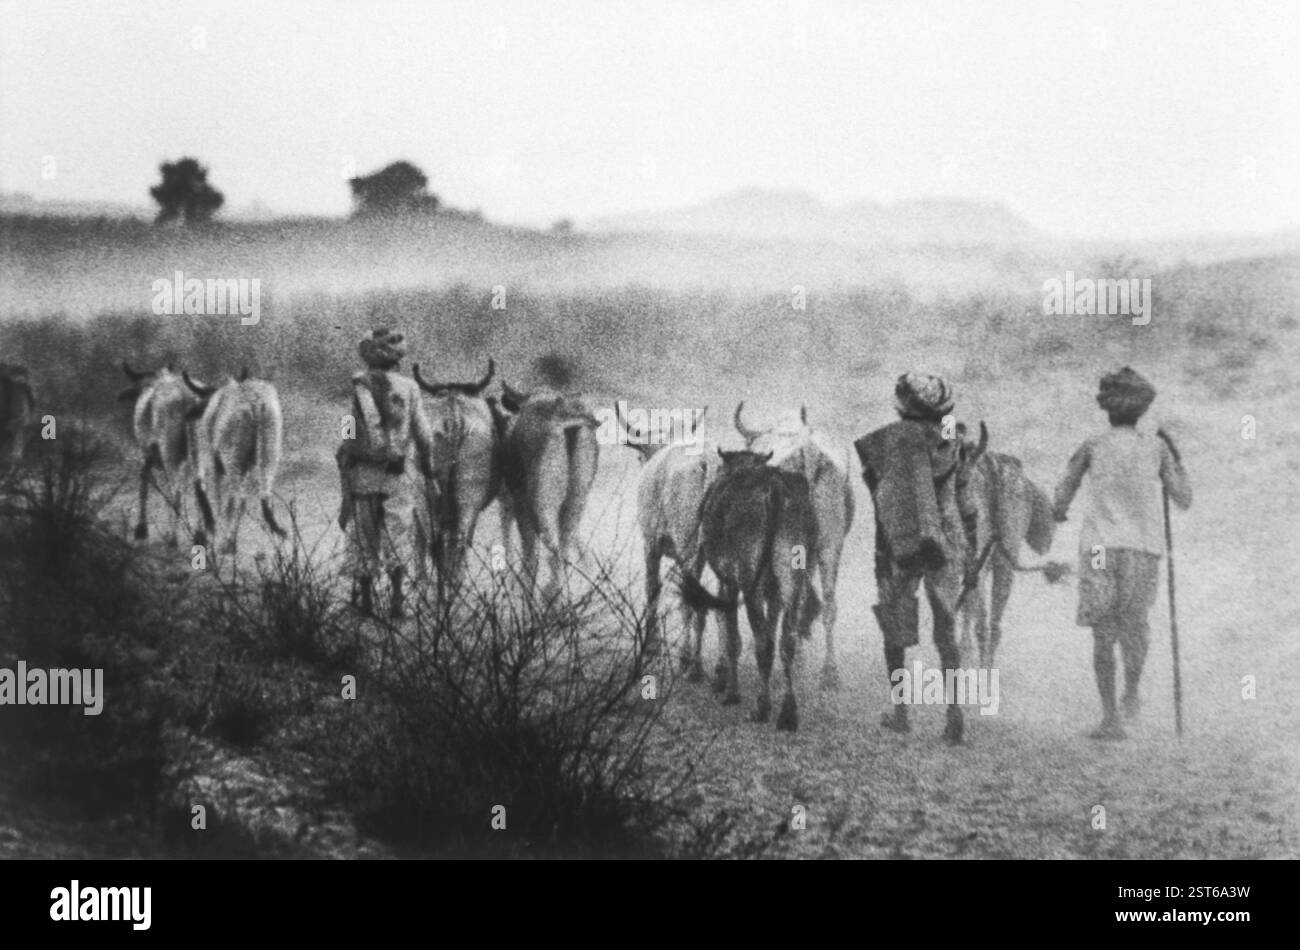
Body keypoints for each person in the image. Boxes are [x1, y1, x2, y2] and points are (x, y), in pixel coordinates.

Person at [1053, 367, 1192, 740]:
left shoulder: (1092, 444)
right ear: (1142, 410)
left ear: (1106, 408)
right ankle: (1131, 695)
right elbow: (1183, 499)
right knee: (1135, 625)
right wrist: (1176, 456)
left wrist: (1059, 511)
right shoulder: (1157, 447)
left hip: (1099, 548)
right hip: (1143, 550)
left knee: (1103, 631)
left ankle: (1110, 717)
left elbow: (1062, 492)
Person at [855, 372, 982, 743]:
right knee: (946, 629)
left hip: (900, 544)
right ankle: (954, 713)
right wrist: (970, 552)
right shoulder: (954, 441)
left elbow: (881, 499)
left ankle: (900, 712)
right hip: (946, 542)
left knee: (895, 624)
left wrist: (885, 549)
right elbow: (967, 501)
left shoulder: (886, 441)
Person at [336, 328, 433, 618]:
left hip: (363, 475)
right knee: (398, 533)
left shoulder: (358, 386)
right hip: (397, 474)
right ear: (398, 359)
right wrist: (428, 468)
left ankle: (365, 602)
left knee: (362, 536)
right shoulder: (409, 388)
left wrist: (349, 452)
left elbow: (348, 430)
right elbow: (424, 436)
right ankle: (397, 602)